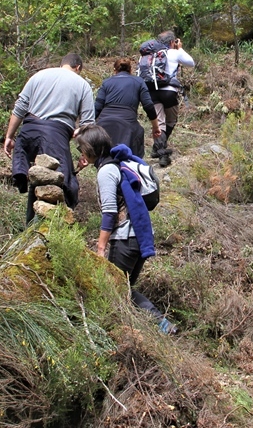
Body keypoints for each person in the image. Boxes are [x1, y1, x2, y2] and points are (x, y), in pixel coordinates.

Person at [74, 125, 176, 334]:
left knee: (117, 289)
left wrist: (101, 247)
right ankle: (141, 329)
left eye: (81, 149)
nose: (80, 153)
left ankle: (160, 323)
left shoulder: (106, 172)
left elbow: (110, 212)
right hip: (139, 238)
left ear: (91, 149)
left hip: (125, 240)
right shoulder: (117, 164)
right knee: (124, 289)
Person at [4, 52, 94, 224]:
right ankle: (51, 228)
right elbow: (87, 124)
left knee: (39, 178)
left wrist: (9, 136)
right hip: (55, 135)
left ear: (62, 64)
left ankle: (31, 225)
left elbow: (20, 107)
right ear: (78, 68)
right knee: (63, 183)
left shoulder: (39, 75)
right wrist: (85, 154)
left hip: (28, 132)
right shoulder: (82, 85)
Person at [94, 57, 161, 159]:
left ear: (115, 70)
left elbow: (97, 107)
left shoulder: (106, 82)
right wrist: (155, 127)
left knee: (104, 157)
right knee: (136, 137)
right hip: (127, 124)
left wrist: (86, 127)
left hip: (104, 124)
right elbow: (148, 106)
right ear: (130, 70)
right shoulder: (138, 81)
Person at [148, 30, 195, 168]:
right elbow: (191, 63)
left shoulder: (151, 54)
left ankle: (158, 147)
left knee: (159, 124)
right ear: (171, 42)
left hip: (152, 92)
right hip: (168, 92)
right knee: (171, 120)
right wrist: (180, 48)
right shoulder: (174, 52)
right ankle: (162, 155)